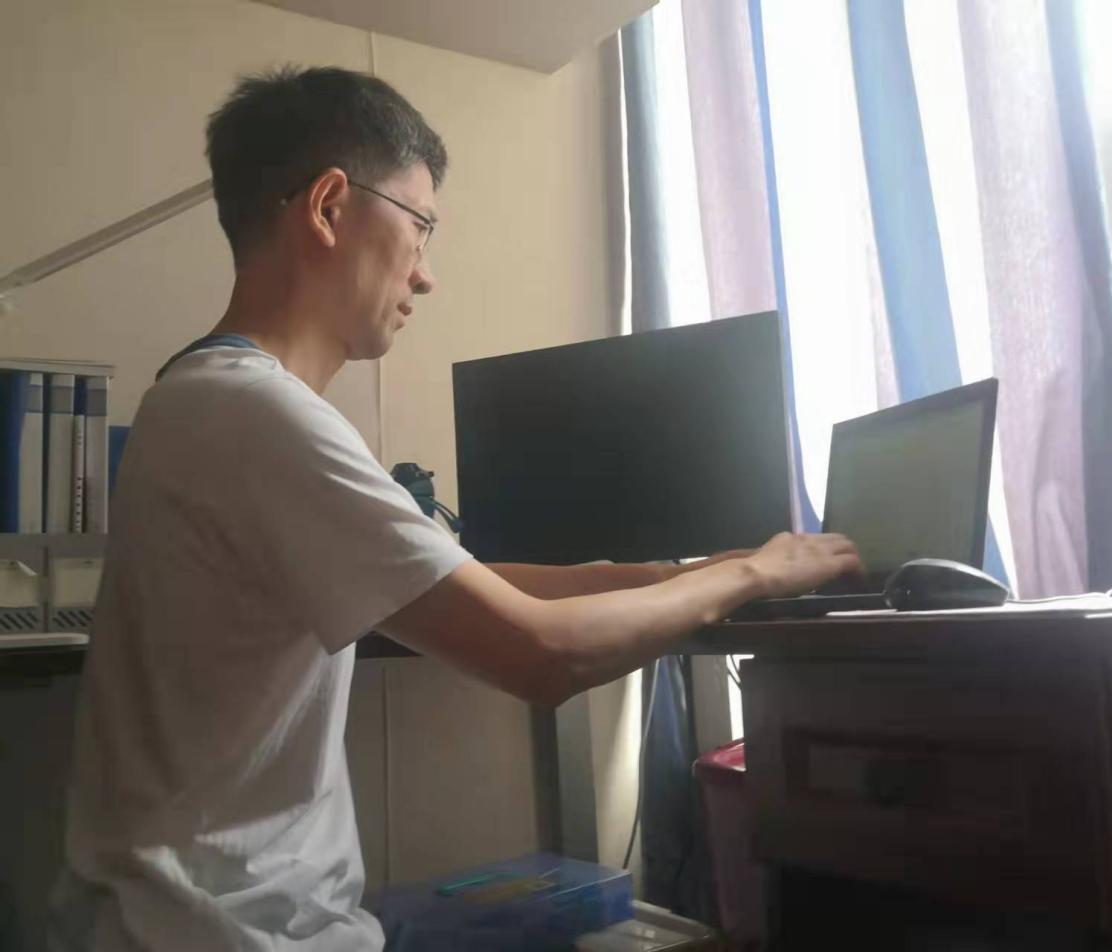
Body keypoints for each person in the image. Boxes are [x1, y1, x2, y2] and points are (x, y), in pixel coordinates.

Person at [49, 66, 860, 951]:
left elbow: (469, 582)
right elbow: (539, 652)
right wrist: (752, 576)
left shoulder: (203, 396)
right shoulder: (254, 413)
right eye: (420, 226)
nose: (425, 275)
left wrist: (684, 573)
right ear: (328, 206)